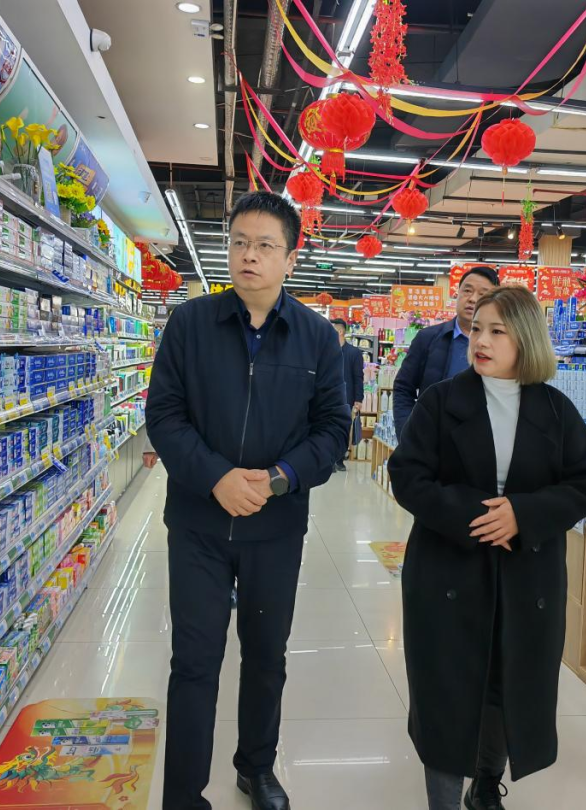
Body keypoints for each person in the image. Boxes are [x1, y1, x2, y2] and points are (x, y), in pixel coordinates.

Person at [145, 191, 351, 810]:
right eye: (238, 243)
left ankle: (256, 769)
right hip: (199, 525)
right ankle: (184, 794)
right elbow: (165, 415)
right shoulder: (189, 325)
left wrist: (281, 478)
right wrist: (217, 478)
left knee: (266, 656)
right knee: (194, 661)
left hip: (275, 527)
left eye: (264, 245)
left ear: (290, 257)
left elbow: (333, 429)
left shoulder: (318, 337)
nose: (248, 256)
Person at [387, 286, 586, 810]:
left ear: (525, 339)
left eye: (496, 331)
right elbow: (408, 476)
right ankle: (443, 799)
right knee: (446, 690)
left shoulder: (555, 409)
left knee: (507, 683)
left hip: (526, 575)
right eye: (476, 329)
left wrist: (523, 515)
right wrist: (479, 515)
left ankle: (486, 784)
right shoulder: (441, 401)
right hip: (448, 569)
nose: (480, 341)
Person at [392, 267, 498, 439]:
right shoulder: (428, 338)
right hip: (431, 441)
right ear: (457, 294)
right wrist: (407, 434)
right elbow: (403, 388)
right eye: (467, 291)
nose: (472, 299)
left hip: (480, 443)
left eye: (482, 294)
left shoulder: (502, 345)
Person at [331, 318, 364, 472]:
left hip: (347, 397)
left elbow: (358, 377)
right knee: (328, 427)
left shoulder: (354, 353)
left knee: (344, 428)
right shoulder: (327, 350)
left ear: (340, 331)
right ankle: (329, 459)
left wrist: (358, 399)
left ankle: (339, 459)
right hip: (328, 396)